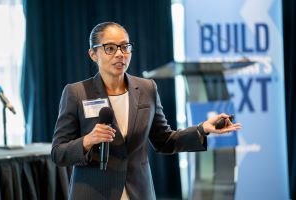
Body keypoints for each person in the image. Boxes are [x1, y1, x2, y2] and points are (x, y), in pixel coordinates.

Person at [51, 21, 241, 200]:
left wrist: (202, 129)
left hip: (139, 192)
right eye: (110, 48)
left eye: (125, 47)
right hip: (93, 193)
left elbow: (165, 141)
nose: (120, 54)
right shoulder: (77, 93)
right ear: (93, 54)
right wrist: (88, 140)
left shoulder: (147, 88)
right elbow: (58, 153)